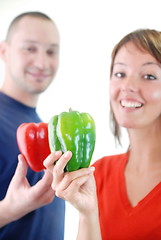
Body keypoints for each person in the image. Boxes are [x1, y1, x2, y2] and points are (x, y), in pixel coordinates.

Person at [44, 28, 161, 240]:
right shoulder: (99, 173)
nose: (128, 86)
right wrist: (87, 212)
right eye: (120, 73)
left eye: (149, 75)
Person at [0, 12, 65, 240]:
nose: (42, 63)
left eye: (51, 51)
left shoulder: (42, 127)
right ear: (4, 51)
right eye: (30, 48)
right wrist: (8, 210)